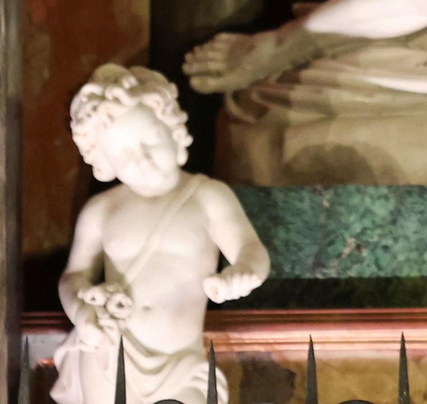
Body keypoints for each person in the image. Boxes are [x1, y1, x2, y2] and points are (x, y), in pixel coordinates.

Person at [52, 66, 269, 404]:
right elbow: (74, 277)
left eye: (150, 140)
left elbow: (250, 249)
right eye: (123, 153)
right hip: (111, 352)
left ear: (172, 127)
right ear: (103, 160)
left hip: (181, 361)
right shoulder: (101, 210)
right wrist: (84, 312)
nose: (142, 160)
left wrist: (242, 274)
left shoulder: (206, 196)